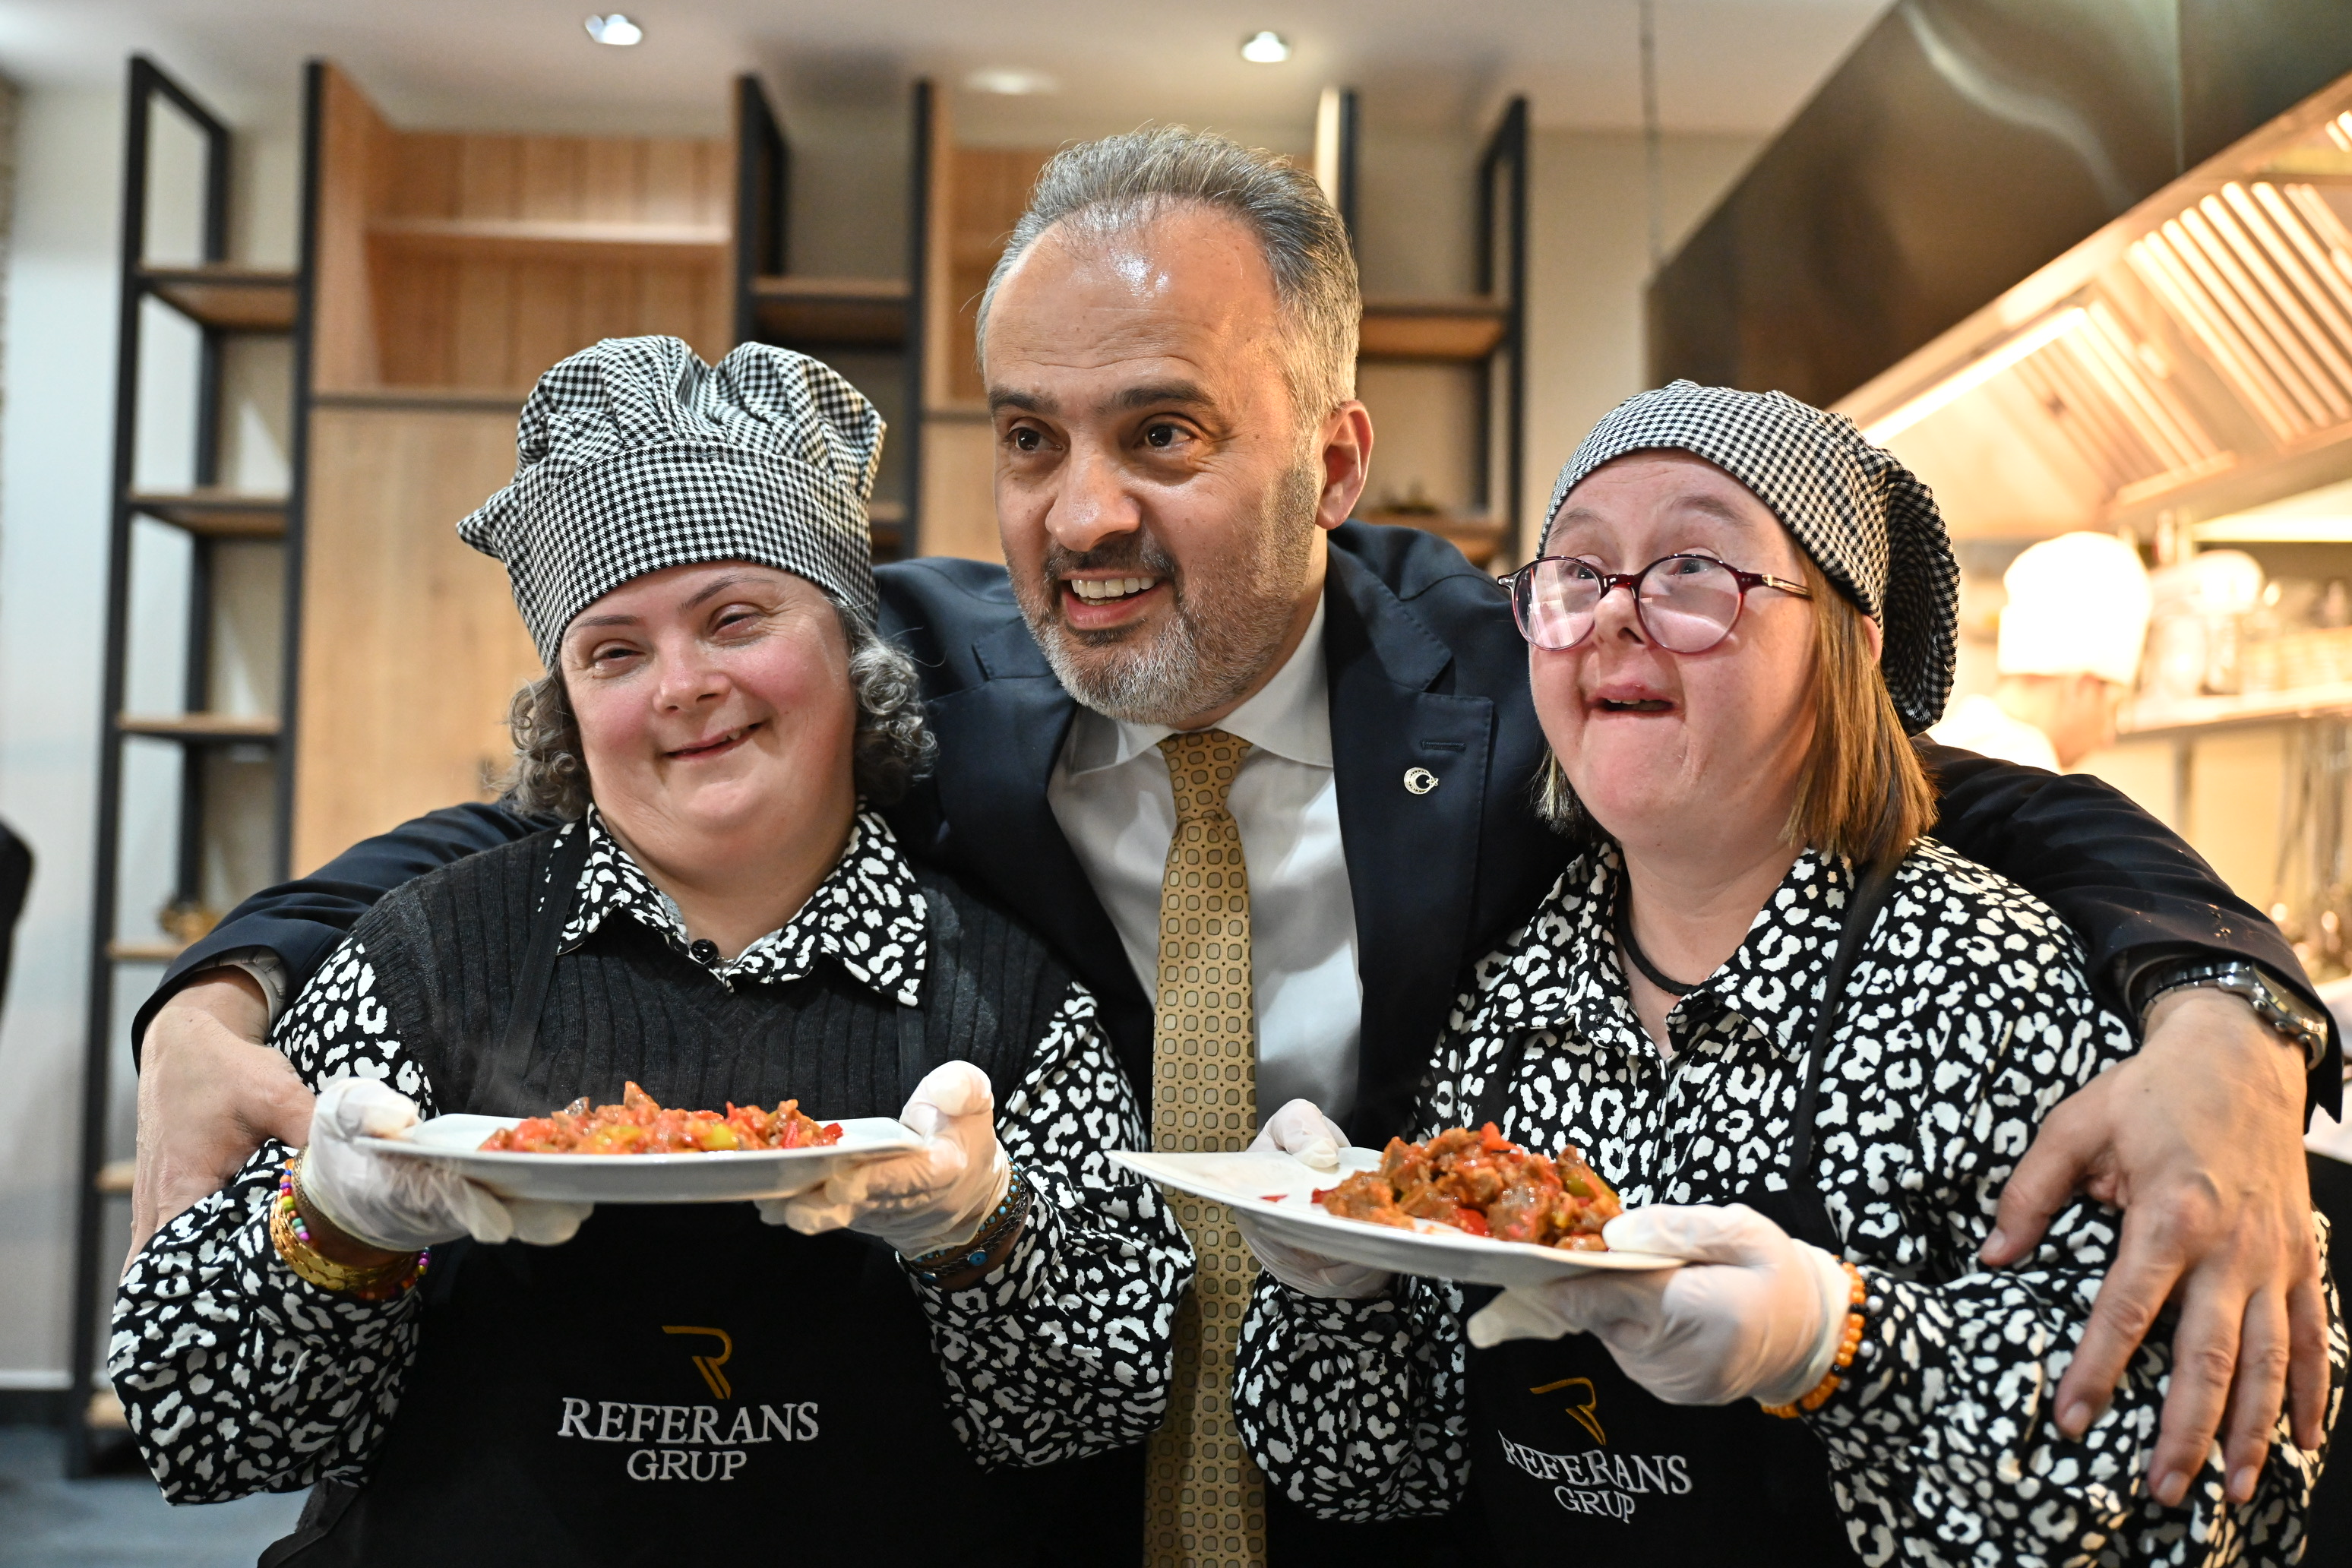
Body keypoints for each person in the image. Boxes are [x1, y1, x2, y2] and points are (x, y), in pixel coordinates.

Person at [128, 130, 2335, 1566]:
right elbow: (573, 789)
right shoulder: (917, 671)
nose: (1082, 513)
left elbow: (1913, 780)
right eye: (1032, 438)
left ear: (1334, 459)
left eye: (1164, 430)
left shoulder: (1521, 675)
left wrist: (2231, 1008)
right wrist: (218, 990)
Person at [108, 340, 1189, 1566]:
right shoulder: (420, 961)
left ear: (852, 652)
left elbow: (1097, 1410)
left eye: (735, 619)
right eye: (614, 651)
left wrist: (981, 1232)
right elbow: (201, 1427)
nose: (682, 684)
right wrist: (337, 1232)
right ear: (567, 709)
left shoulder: (1010, 993)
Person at [1231, 382, 2343, 1563]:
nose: (1615, 616)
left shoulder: (1988, 983)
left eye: (1693, 571)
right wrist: (1335, 1292)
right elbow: (1375, 1473)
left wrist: (1833, 1344)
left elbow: (2194, 1502)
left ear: (1849, 645)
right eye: (1578, 573)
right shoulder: (1511, 992)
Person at [1930, 530, 2153, 769]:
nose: (2107, 738)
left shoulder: (1941, 741)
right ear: (2081, 689)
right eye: (2114, 709)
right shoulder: (2031, 771)